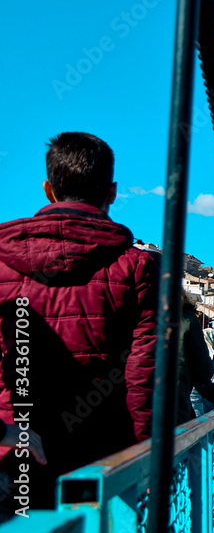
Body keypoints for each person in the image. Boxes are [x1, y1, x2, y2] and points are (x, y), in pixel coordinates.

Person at [0, 132, 159, 511]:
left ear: (48, 190)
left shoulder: (2, 263)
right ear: (113, 192)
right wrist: (145, 459)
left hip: (14, 458)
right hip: (102, 462)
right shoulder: (137, 267)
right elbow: (142, 380)